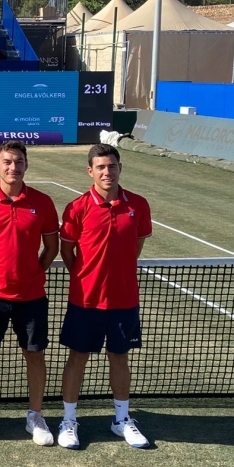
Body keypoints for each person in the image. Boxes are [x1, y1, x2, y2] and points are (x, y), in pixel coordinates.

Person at [0, 140, 59, 446]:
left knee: (35, 355)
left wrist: (33, 273)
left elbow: (52, 248)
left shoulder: (42, 203)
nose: (12, 167)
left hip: (31, 297)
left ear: (26, 165)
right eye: (7, 162)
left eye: (18, 162)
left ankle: (35, 416)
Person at [57, 143, 152, 449]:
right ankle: (69, 420)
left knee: (119, 358)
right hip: (85, 301)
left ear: (120, 168)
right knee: (77, 358)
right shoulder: (76, 207)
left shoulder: (138, 205)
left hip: (124, 300)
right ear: (91, 171)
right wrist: (88, 278)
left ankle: (121, 420)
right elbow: (67, 252)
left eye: (111, 166)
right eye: (100, 167)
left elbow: (135, 246)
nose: (106, 172)